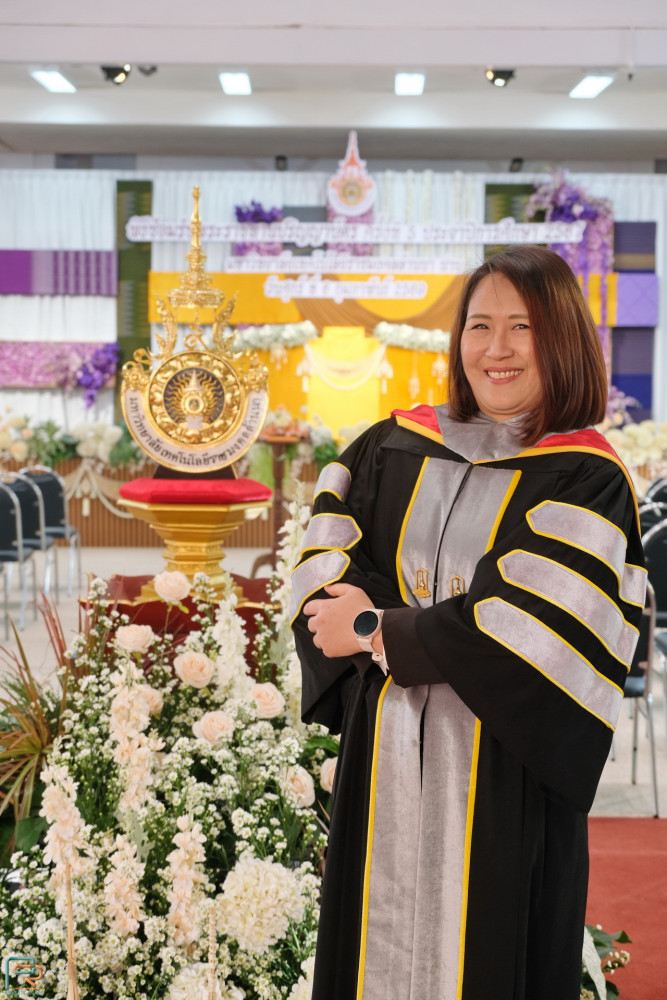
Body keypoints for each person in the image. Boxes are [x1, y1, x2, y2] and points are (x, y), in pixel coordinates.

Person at [290, 245, 646, 1000]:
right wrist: (390, 628)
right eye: (479, 325)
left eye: (522, 326)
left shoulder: (587, 476)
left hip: (503, 779)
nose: (496, 348)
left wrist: (379, 630)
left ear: (563, 338)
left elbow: (525, 624)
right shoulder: (390, 446)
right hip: (386, 758)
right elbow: (328, 561)